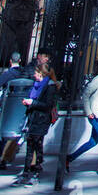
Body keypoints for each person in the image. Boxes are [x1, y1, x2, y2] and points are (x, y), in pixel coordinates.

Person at [66, 56, 98, 177]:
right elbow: (86, 94)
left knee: (93, 141)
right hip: (97, 113)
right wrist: (88, 111)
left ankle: (69, 158)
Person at [13, 56, 58, 187]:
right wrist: (29, 103)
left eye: (36, 73)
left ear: (42, 73)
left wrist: (32, 102)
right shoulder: (36, 85)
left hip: (42, 120)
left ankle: (35, 172)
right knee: (30, 146)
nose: (34, 75)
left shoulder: (49, 87)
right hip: (33, 118)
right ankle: (26, 173)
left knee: (37, 146)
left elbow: (48, 105)